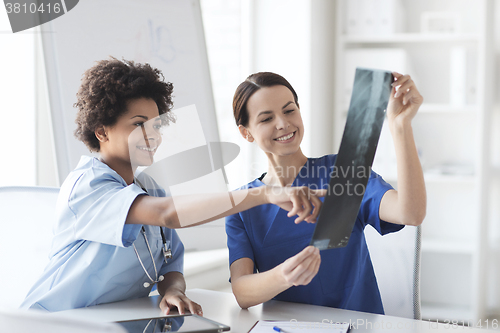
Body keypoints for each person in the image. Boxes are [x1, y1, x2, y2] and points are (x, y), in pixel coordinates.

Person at [20, 59, 325, 314]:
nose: (152, 135)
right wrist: (266, 193)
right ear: (102, 131)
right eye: (139, 124)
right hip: (55, 322)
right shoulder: (87, 186)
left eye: (157, 125)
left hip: (114, 321)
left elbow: (169, 263)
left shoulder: (150, 188)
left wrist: (172, 291)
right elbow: (167, 214)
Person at [225, 71, 426, 314]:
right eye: (266, 119)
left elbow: (410, 213)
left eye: (289, 110)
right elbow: (242, 292)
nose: (283, 123)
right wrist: (284, 276)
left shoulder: (341, 173)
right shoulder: (243, 205)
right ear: (246, 132)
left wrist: (400, 125)